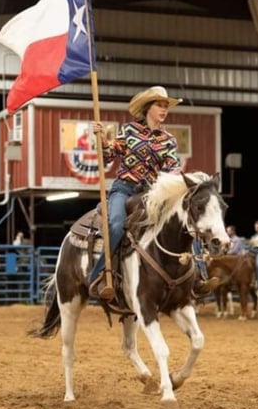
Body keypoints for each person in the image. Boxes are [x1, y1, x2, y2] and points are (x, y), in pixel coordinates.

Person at [87, 86, 217, 300]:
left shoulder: (168, 139)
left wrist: (176, 174)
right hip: (124, 189)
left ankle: (198, 277)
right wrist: (100, 139)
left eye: (166, 106)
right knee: (117, 225)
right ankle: (100, 275)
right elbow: (109, 155)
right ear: (148, 108)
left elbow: (172, 166)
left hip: (151, 193)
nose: (164, 110)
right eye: (160, 105)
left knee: (185, 221)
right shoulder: (129, 130)